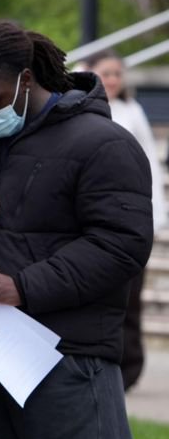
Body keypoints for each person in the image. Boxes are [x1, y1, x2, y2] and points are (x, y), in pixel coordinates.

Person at [0, 20, 151, 439]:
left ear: (26, 79)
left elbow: (122, 244)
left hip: (67, 362)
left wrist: (26, 286)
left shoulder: (103, 144)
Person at [82, 49, 165, 391]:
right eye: (106, 72)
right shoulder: (82, 110)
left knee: (131, 300)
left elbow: (150, 166)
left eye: (118, 73)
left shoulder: (133, 111)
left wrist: (154, 216)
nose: (113, 79)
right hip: (95, 221)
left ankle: (129, 369)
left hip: (131, 220)